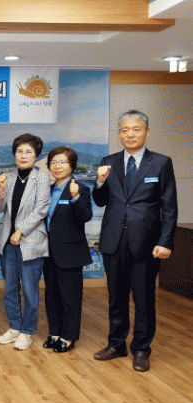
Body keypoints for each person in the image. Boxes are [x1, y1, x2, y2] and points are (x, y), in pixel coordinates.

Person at [92, 110, 177, 372]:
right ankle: (116, 344)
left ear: (147, 132)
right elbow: (100, 201)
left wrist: (165, 241)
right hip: (114, 240)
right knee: (116, 297)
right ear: (119, 134)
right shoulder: (109, 161)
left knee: (144, 298)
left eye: (136, 129)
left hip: (146, 242)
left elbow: (169, 207)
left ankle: (141, 349)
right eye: (125, 130)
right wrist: (99, 182)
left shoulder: (160, 163)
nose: (130, 134)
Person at [0, 133, 50, 350]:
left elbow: (41, 209)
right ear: (14, 154)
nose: (23, 155)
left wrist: (20, 231)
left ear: (36, 156)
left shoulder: (41, 178)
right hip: (7, 242)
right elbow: (0, 208)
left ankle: (27, 331)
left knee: (29, 290)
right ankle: (14, 327)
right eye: (19, 151)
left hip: (30, 241)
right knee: (9, 289)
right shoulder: (8, 177)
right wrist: (1, 189)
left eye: (29, 152)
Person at [42, 146, 92, 353]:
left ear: (72, 165)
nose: (57, 166)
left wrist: (75, 197)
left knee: (70, 297)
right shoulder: (47, 189)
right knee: (51, 294)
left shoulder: (80, 188)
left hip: (71, 252)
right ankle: (55, 333)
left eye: (62, 162)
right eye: (54, 162)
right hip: (48, 251)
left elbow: (85, 216)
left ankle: (69, 336)